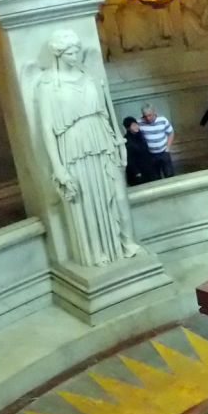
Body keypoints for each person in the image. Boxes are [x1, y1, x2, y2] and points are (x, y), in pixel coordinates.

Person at [36, 29, 140, 267]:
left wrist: (118, 141)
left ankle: (123, 243)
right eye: (70, 52)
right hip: (74, 146)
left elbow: (107, 112)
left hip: (101, 140)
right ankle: (97, 251)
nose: (75, 56)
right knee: (87, 200)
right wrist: (58, 167)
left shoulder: (89, 76)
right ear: (59, 54)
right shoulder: (49, 85)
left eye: (77, 51)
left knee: (116, 195)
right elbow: (46, 129)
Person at [139, 104, 175, 179]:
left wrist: (167, 149)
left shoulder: (163, 120)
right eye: (145, 116)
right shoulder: (139, 123)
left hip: (164, 152)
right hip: (150, 155)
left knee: (169, 175)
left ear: (154, 112)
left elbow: (171, 133)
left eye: (149, 115)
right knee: (155, 177)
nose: (148, 118)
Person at [122, 116, 150, 185]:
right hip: (137, 172)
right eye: (133, 126)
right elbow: (129, 159)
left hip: (146, 168)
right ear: (128, 128)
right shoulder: (126, 140)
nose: (136, 127)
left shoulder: (140, 135)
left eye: (136, 124)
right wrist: (137, 172)